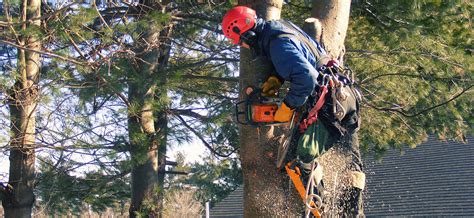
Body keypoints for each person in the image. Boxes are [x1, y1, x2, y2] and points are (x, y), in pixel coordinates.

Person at [222, 6, 366, 216]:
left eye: (240, 41)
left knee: (298, 158)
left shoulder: (277, 43)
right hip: (345, 98)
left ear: (246, 33)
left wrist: (288, 106)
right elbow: (299, 59)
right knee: (351, 167)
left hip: (330, 107)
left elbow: (306, 78)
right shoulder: (282, 29)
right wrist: (274, 81)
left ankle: (322, 211)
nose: (242, 46)